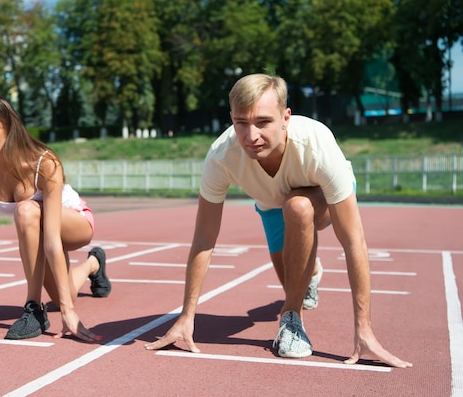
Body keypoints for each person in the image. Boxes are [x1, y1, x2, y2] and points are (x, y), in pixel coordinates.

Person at [144, 73, 412, 368]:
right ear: (231, 118)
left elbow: (353, 241)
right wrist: (186, 316)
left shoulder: (317, 145)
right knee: (292, 283)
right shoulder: (222, 156)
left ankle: (291, 318)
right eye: (241, 123)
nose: (251, 136)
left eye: (263, 122)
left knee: (298, 209)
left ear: (286, 117)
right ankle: (310, 275)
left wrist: (365, 331)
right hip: (271, 204)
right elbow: (205, 238)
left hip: (322, 198)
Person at [0, 93, 111, 341]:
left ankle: (33, 307)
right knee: (63, 294)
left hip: (75, 223)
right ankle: (94, 264)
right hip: (37, 228)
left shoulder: (44, 163)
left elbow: (52, 241)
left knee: (25, 209)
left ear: (8, 126)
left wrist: (69, 314)